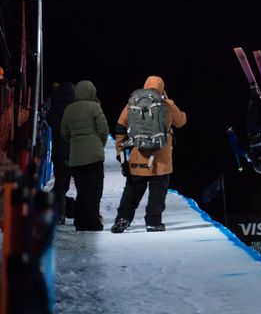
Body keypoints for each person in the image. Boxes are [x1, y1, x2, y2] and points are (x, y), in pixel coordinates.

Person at [110, 75, 187, 233]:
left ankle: (122, 219)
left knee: (132, 190)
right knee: (157, 192)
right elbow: (182, 121)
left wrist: (121, 153)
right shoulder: (167, 104)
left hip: (137, 157)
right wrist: (169, 101)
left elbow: (119, 127)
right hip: (161, 161)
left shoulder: (132, 103)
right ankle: (153, 222)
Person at [60, 80, 109, 231]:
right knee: (94, 191)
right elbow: (103, 129)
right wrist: (99, 142)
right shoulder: (94, 107)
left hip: (76, 158)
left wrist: (75, 142)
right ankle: (93, 223)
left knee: (82, 191)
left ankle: (80, 222)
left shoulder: (69, 109)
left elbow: (64, 133)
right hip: (94, 156)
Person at [46, 82, 75, 224]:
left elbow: (48, 121)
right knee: (82, 184)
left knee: (61, 183)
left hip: (59, 152)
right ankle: (83, 213)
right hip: (75, 152)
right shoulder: (75, 108)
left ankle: (59, 215)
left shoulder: (55, 108)